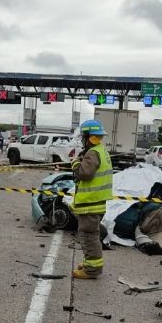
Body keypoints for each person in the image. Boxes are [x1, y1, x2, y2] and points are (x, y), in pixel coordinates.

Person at [70, 119, 113, 279]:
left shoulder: (93, 153)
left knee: (88, 237)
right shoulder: (101, 151)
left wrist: (75, 165)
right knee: (91, 235)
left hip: (90, 204)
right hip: (96, 203)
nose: (82, 140)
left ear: (88, 137)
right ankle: (90, 263)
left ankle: (92, 270)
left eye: (83, 137)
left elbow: (85, 174)